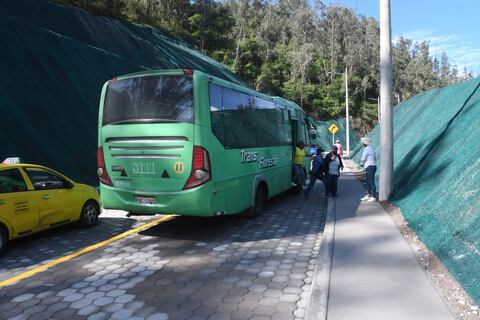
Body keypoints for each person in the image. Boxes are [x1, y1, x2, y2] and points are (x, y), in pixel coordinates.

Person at [360, 137, 377, 202]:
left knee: (370, 181)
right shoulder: (371, 149)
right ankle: (369, 195)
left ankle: (374, 196)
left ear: (364, 144)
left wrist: (361, 163)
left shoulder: (366, 149)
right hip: (372, 166)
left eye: (363, 143)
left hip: (369, 166)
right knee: (368, 181)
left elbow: (363, 158)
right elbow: (374, 158)